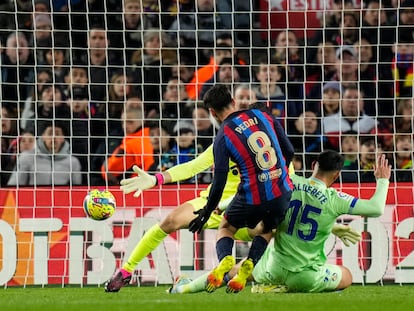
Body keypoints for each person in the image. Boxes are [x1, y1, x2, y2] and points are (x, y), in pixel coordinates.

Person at [104, 89, 262, 293]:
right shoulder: (227, 138)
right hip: (218, 202)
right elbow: (193, 166)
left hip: (241, 205)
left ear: (211, 113)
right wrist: (156, 178)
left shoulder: (242, 136)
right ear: (234, 102)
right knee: (170, 221)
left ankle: (224, 278)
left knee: (268, 240)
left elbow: (193, 167)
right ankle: (126, 271)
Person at [172, 151, 390, 294]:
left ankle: (184, 289)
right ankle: (287, 288)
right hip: (305, 276)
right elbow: (376, 208)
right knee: (347, 275)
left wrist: (224, 205)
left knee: (240, 266)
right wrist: (382, 180)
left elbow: (253, 192)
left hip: (270, 268)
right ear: (336, 176)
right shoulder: (337, 200)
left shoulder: (288, 182)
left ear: (313, 165)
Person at [187, 85, 294, 293]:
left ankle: (226, 260)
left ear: (212, 113)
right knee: (267, 230)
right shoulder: (262, 115)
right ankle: (250, 263)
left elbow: (218, 181)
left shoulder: (223, 136)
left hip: (251, 195)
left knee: (226, 227)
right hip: (281, 192)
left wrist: (207, 211)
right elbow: (289, 150)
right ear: (234, 102)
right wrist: (280, 174)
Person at [7, 121, 82, 186]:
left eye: (57, 134)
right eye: (50, 133)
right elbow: (14, 186)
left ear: (63, 138)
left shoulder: (73, 162)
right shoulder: (27, 157)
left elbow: (76, 191)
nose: (54, 137)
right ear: (43, 136)